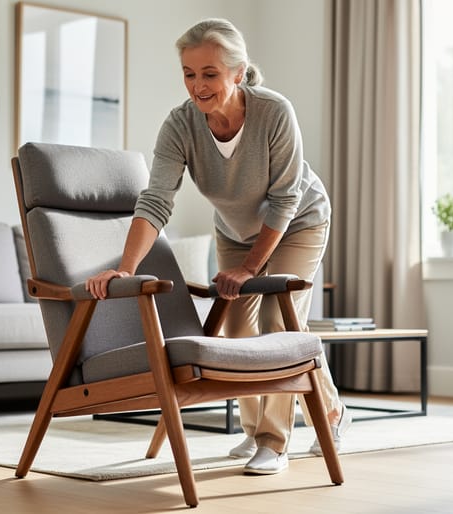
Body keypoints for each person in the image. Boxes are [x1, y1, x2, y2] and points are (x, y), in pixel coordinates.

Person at [86, 18, 350, 475]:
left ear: (237, 72)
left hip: (297, 223)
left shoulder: (273, 112)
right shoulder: (180, 125)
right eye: (189, 74)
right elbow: (156, 201)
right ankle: (303, 419)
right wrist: (125, 268)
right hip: (234, 230)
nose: (197, 85)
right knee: (237, 332)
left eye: (209, 73)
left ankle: (274, 441)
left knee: (276, 320)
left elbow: (285, 198)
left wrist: (250, 269)